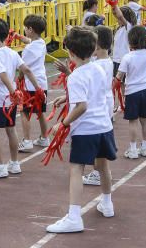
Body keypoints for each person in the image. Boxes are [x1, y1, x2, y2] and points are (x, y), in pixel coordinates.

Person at [46, 26, 117, 234]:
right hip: (104, 125)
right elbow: (95, 94)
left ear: (70, 52)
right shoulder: (100, 68)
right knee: (103, 166)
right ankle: (107, 203)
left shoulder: (75, 76)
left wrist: (63, 124)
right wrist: (68, 97)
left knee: (77, 169)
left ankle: (74, 217)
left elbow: (82, 106)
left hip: (86, 129)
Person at [0, 17, 40, 180]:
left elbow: (2, 75)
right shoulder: (12, 53)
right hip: (10, 101)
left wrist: (13, 91)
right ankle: (14, 163)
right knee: (11, 130)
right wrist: (38, 87)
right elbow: (26, 69)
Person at [117, 25, 146, 159]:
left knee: (133, 121)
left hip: (132, 92)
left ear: (130, 41)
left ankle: (133, 149)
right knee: (145, 121)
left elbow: (119, 76)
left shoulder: (127, 57)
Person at [15, 14, 49, 153]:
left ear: (30, 29)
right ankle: (44, 137)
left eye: (25, 28)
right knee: (40, 112)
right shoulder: (41, 42)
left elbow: (24, 68)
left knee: (25, 112)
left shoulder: (28, 49)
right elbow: (31, 41)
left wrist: (19, 78)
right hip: (42, 82)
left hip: (30, 84)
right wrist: (20, 37)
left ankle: (27, 140)